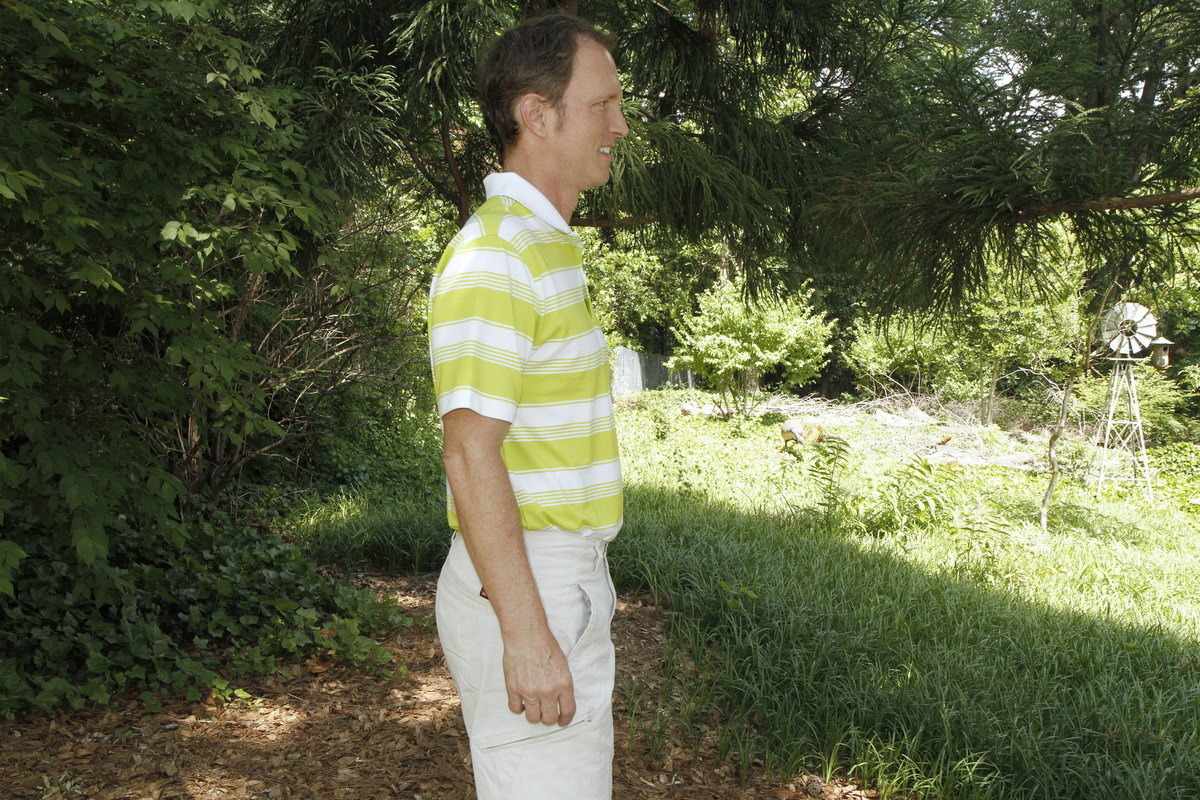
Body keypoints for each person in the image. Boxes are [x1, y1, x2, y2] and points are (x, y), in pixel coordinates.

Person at [426, 12, 629, 799]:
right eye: (602, 105)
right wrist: (528, 634)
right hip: (527, 585)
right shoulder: (497, 256)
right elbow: (469, 449)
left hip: (554, 578)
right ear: (537, 115)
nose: (619, 125)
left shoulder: (543, 247)